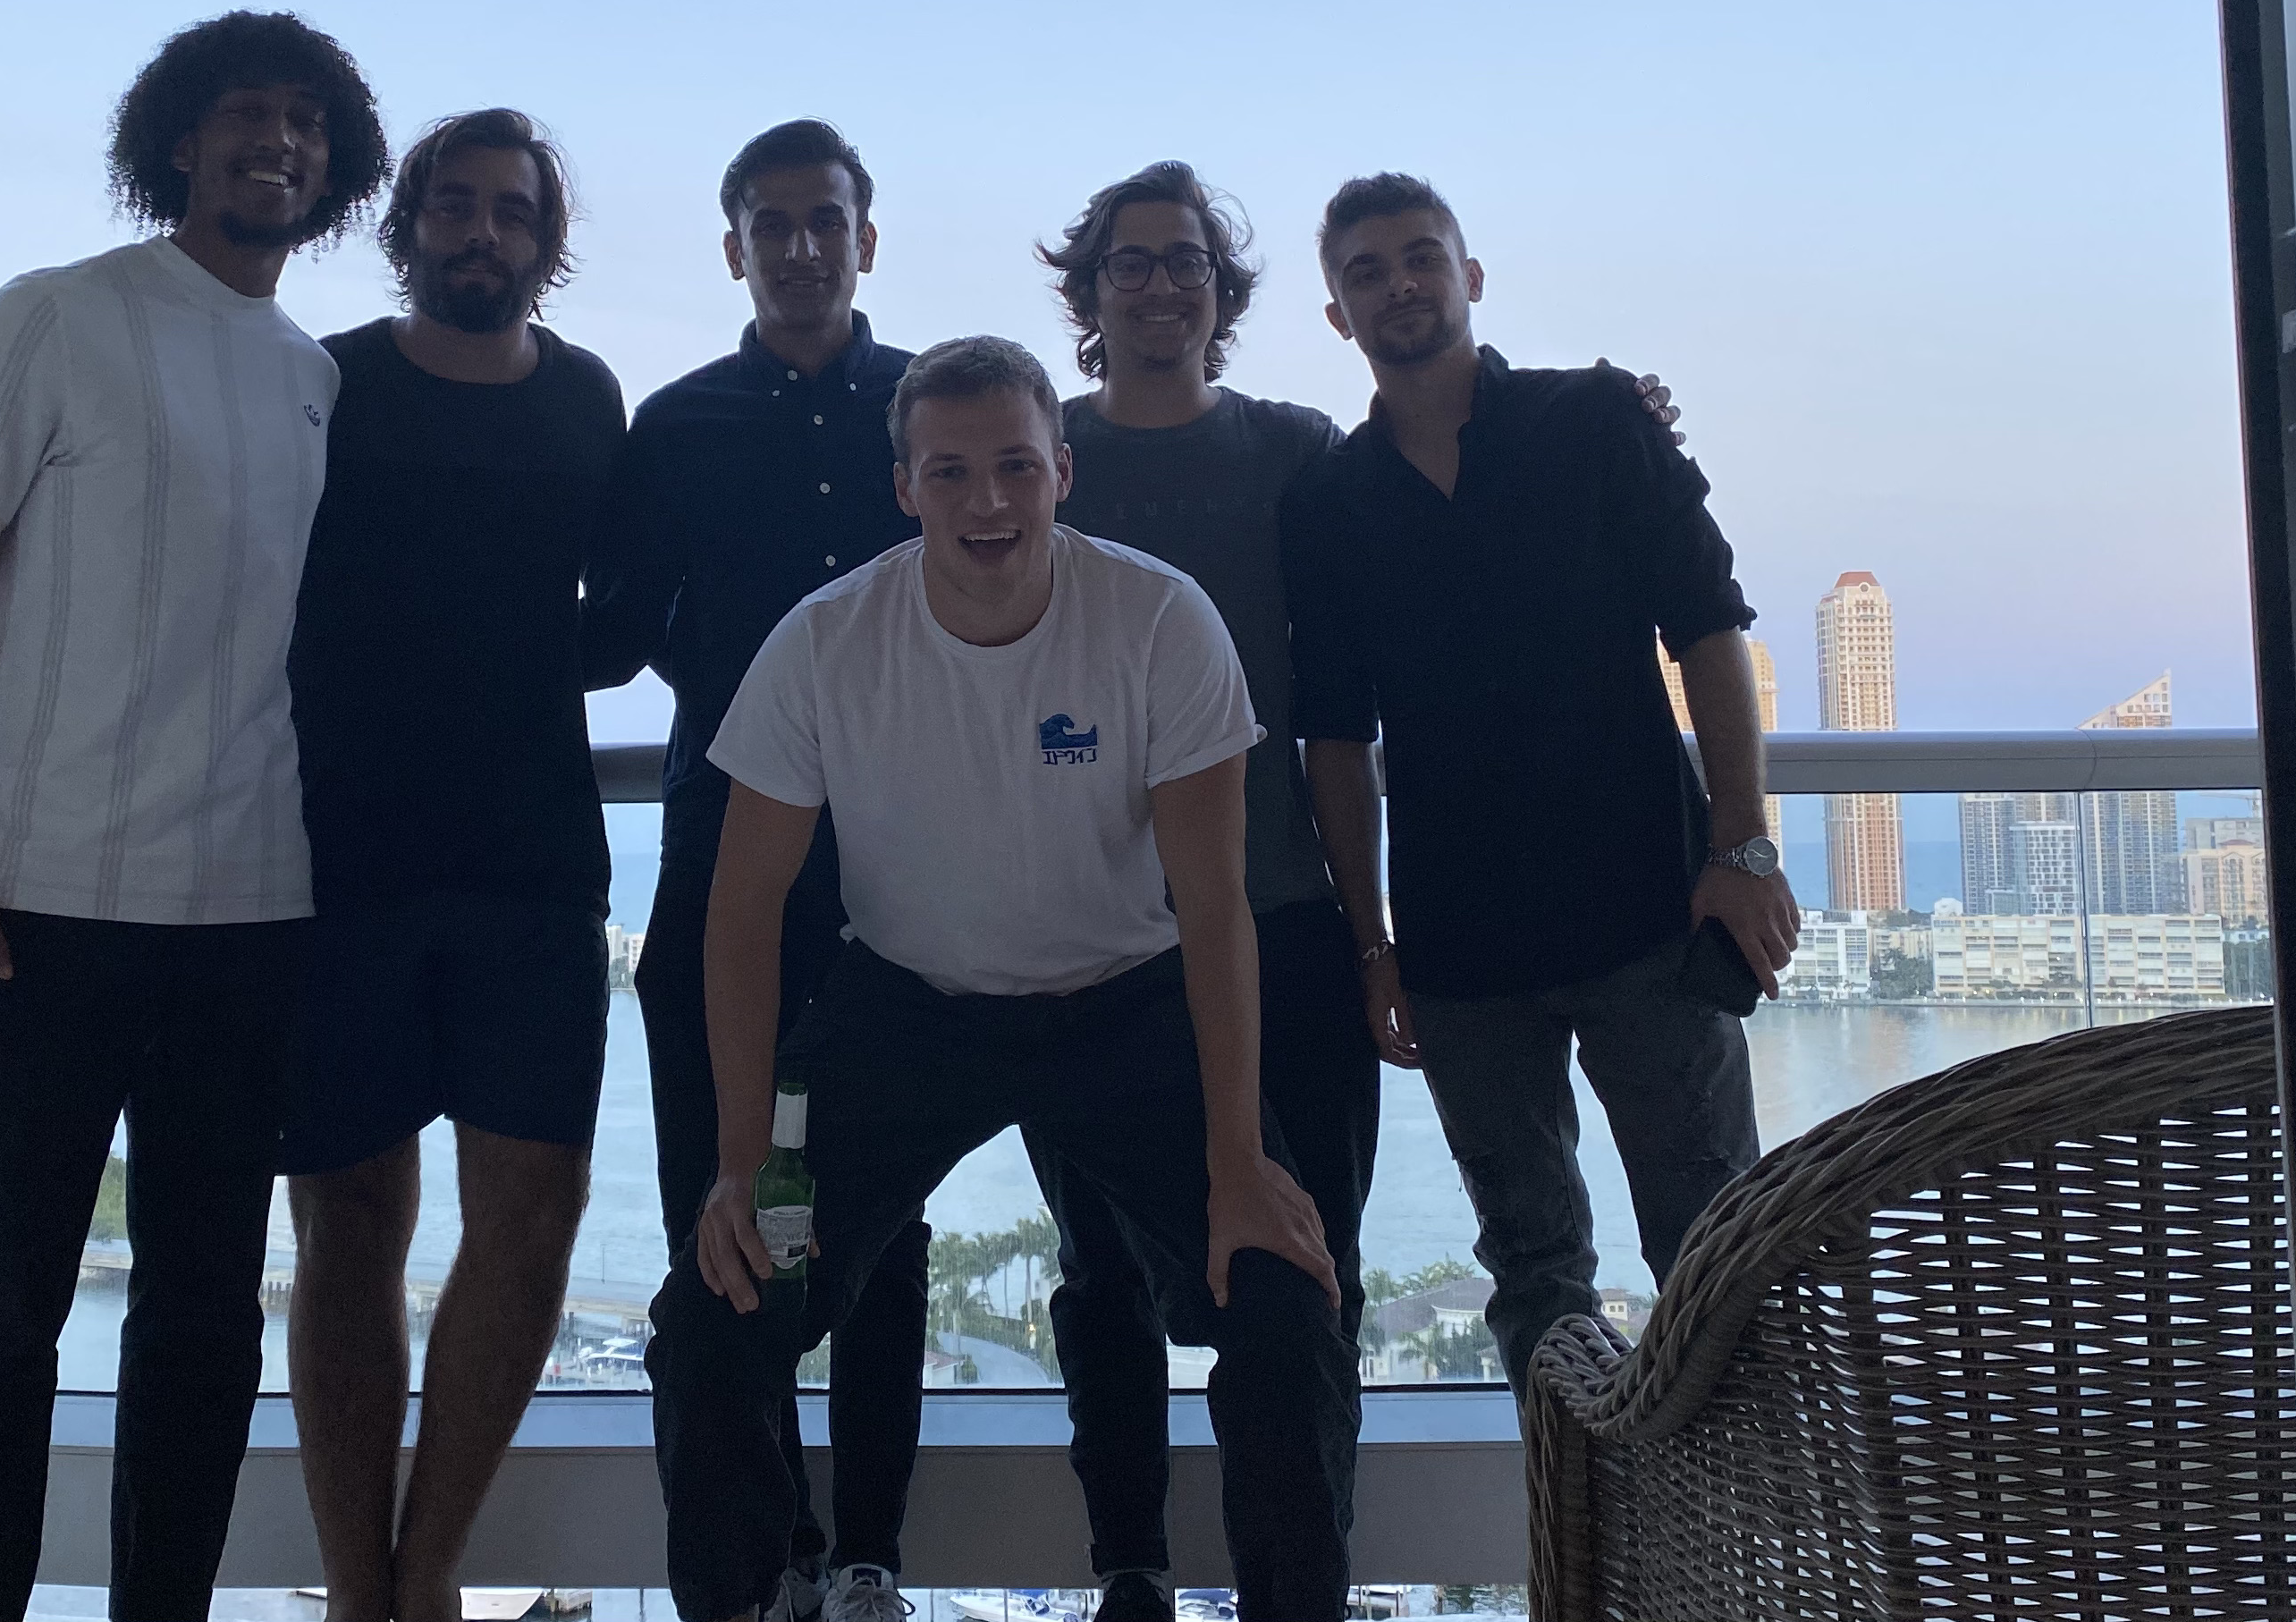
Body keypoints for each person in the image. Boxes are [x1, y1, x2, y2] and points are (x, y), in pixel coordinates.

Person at [647, 336, 1361, 1622]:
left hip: (1129, 1004)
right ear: (905, 488)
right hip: (902, 1013)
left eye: (1017, 467)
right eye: (951, 472)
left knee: (1284, 1310)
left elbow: (1215, 910)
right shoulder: (825, 641)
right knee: (714, 1318)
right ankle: (749, 1599)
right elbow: (740, 913)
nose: (988, 501)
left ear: (1062, 472)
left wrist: (1241, 1160)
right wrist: (743, 1160)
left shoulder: (1159, 620)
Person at [0, 11, 388, 1622]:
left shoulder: (313, 377)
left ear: (333, 167)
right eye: (246, 112)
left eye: (306, 122)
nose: (277, 141)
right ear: (177, 139)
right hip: (45, 912)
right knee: (1, 1317)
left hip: (251, 913)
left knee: (205, 1323)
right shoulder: (53, 318)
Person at [1280, 172, 1795, 1389]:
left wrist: (1742, 849)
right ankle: (1577, 1502)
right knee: (1534, 1273)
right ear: (1338, 314)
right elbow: (1335, 740)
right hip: (1463, 954)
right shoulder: (1331, 503)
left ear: (1470, 275)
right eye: (1366, 272)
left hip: (1653, 915)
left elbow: (1708, 627)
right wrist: (1372, 945)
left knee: (1718, 1246)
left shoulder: (1595, 421)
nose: (1399, 285)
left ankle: (1751, 1503)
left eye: (1421, 256)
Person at [582, 119, 934, 1622]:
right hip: (722, 864)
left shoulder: (927, 405)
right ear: (733, 249)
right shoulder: (674, 426)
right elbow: (616, 632)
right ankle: (760, 1562)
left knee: (887, 1222)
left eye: (824, 221)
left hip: (905, 875)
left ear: (867, 237)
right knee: (721, 1212)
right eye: (770, 226)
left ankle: (868, 1559)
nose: (799, 248)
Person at [283, 109, 629, 1622]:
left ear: (547, 243)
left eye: (514, 211)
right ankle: (357, 1588)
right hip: (335, 865)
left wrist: (499, 662)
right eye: (456, 205)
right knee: (348, 1222)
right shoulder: (327, 382)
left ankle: (427, 1574)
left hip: (532, 864)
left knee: (533, 1217)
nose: (484, 232)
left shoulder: (588, 398)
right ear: (409, 224)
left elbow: (622, 619)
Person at [1028, 163, 1369, 1622]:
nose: (1160, 283)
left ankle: (1301, 1585)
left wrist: (1374, 937)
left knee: (1310, 1272)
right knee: (1100, 1270)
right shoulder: (1043, 457)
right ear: (1089, 292)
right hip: (1092, 939)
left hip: (1283, 915)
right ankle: (1132, 1569)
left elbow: (1382, 619)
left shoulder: (1295, 450)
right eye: (1130, 262)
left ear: (1222, 291)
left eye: (1185, 261)